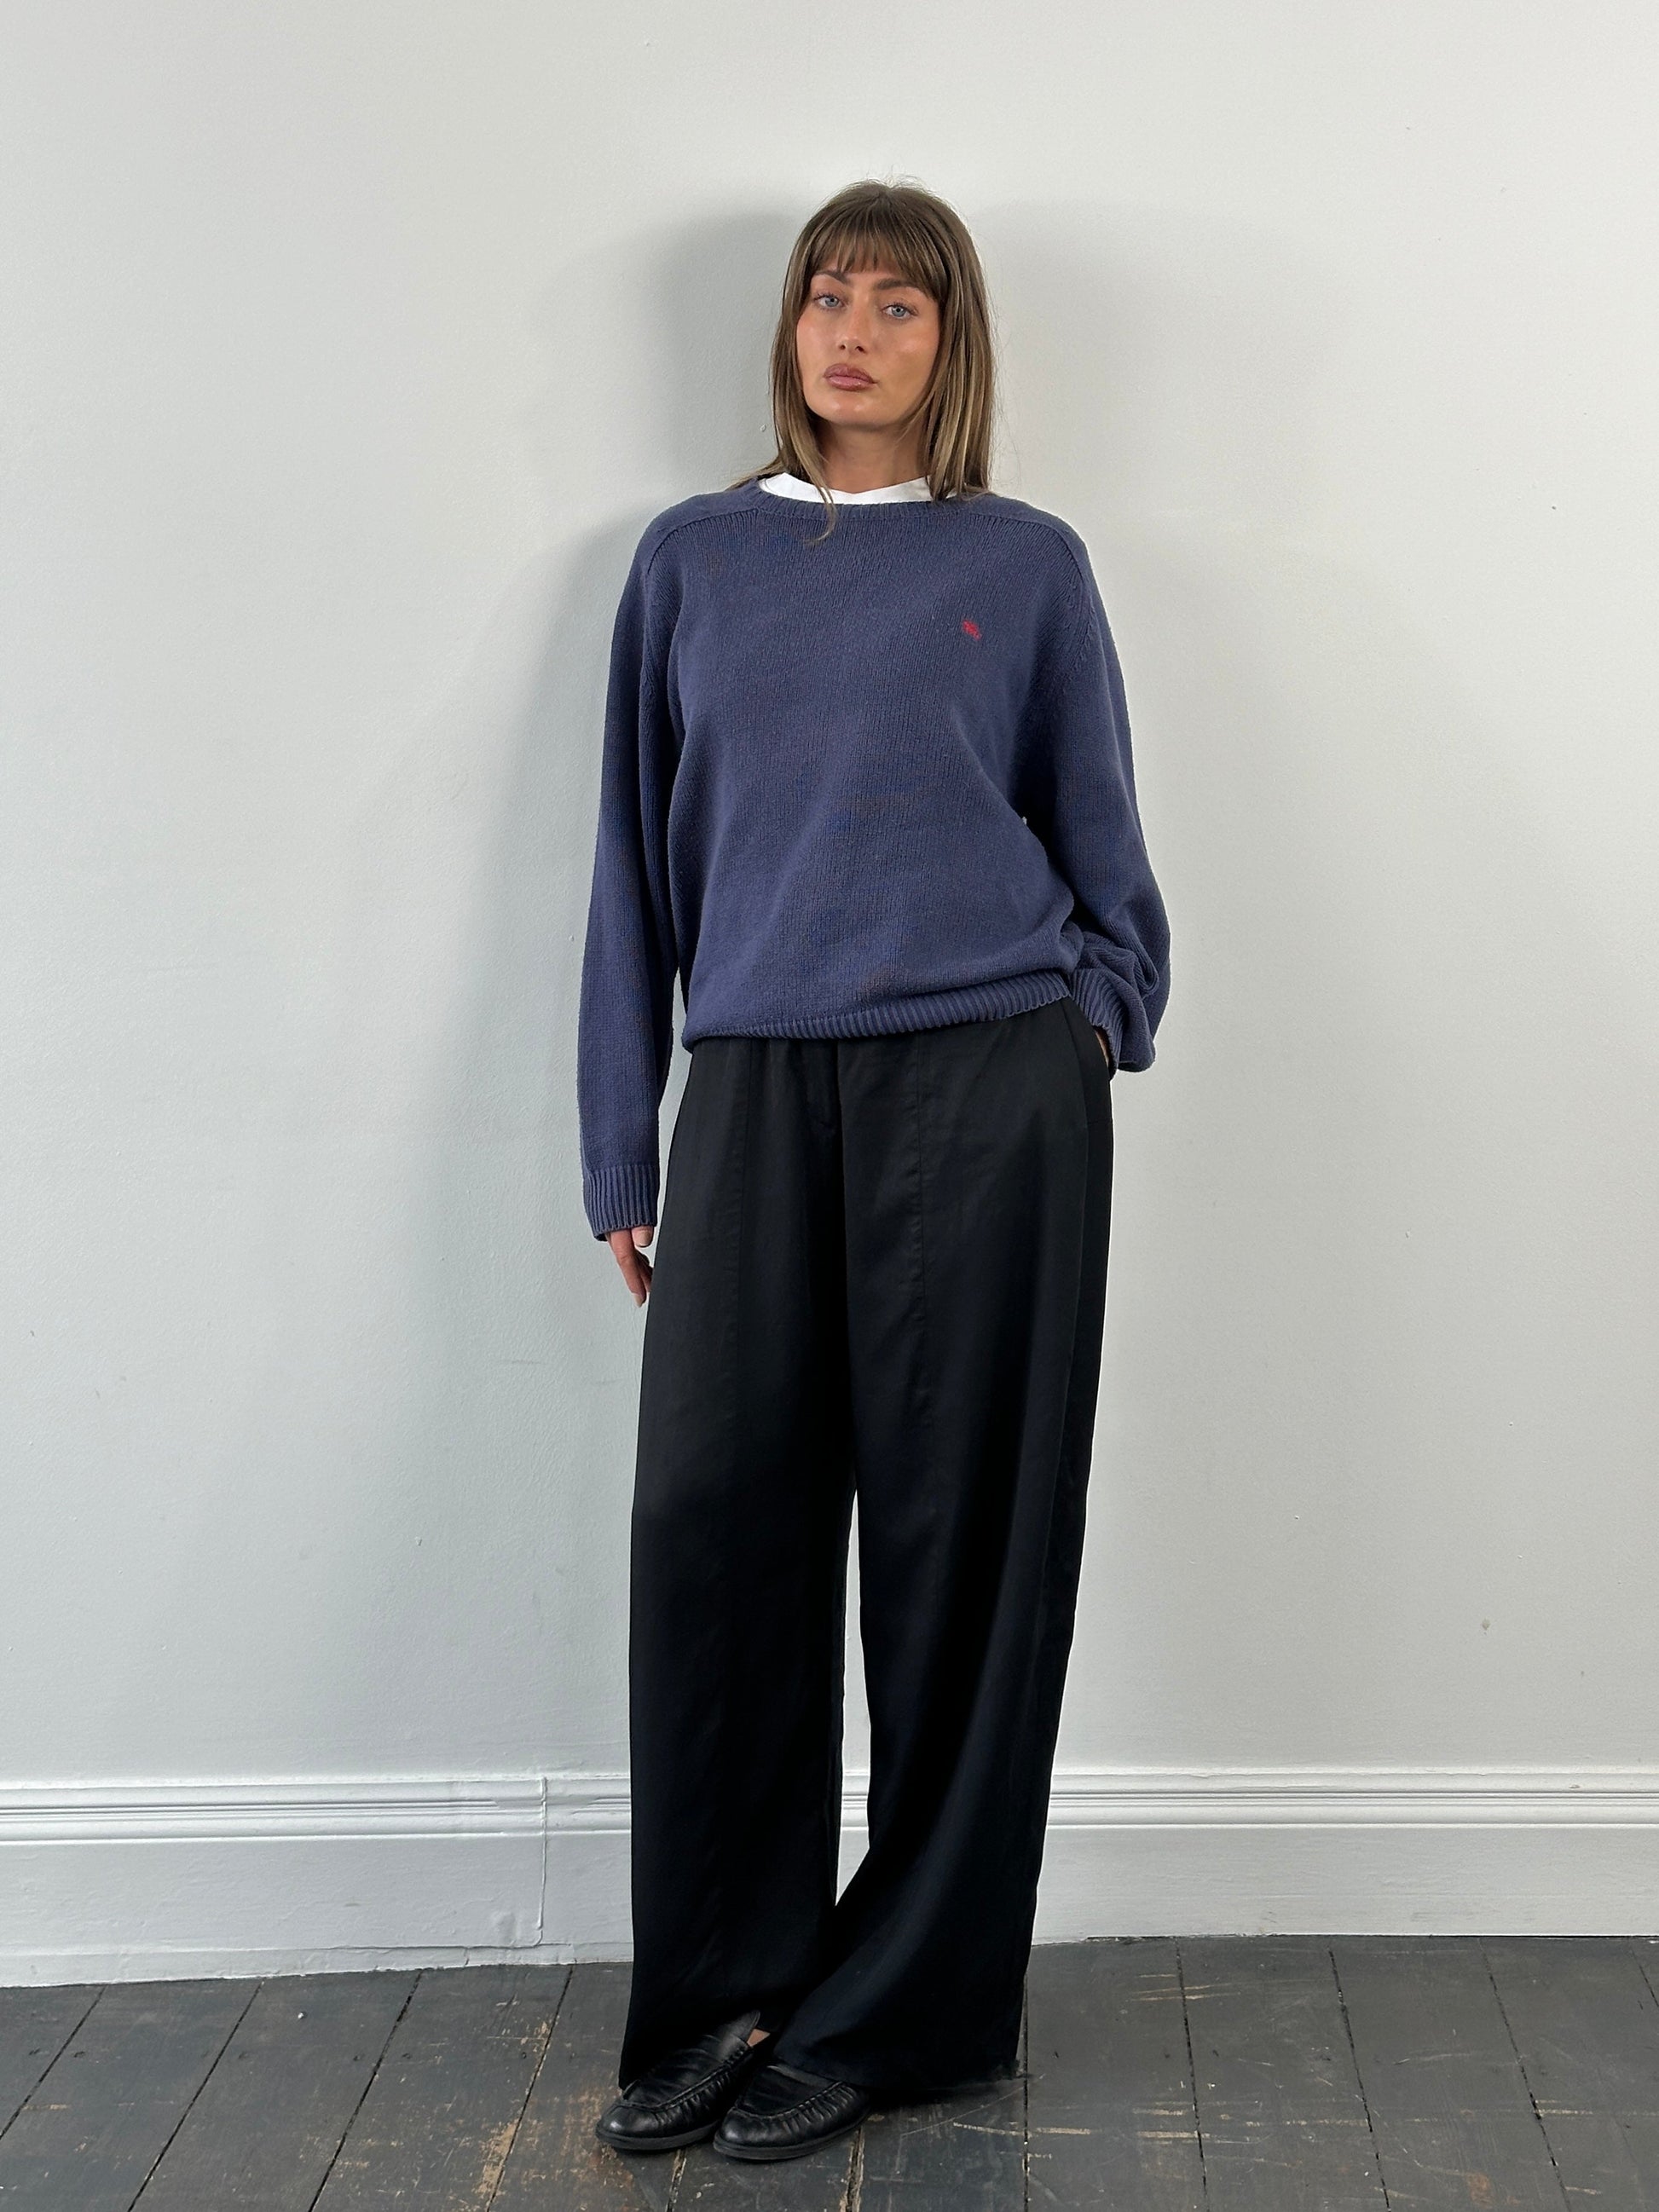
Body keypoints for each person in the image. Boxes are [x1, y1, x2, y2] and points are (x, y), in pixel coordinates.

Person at [576, 177, 1171, 2164]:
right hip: (755, 1083)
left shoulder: (1025, 564)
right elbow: (630, 866)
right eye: (827, 295)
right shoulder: (689, 560)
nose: (854, 332)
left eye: (899, 304)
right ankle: (726, 1990)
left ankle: (906, 2009)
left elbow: (1104, 850)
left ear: (949, 340)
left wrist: (1086, 1022)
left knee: (959, 1555)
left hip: (989, 1084)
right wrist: (621, 1131)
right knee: (716, 1534)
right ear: (789, 327)